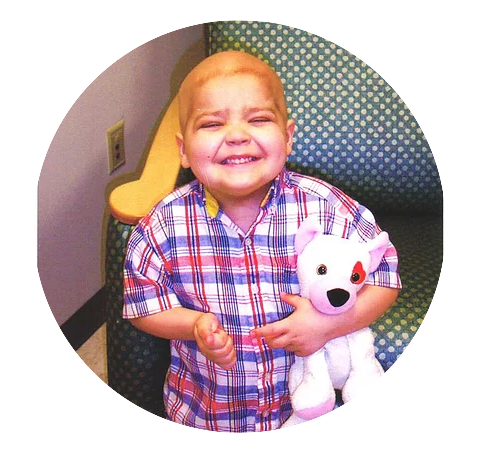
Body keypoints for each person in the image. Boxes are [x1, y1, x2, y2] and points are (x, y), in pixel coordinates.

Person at [123, 51, 401, 432]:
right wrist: (193, 325)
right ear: (183, 150)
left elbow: (385, 277)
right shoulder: (163, 225)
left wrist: (327, 326)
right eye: (212, 123)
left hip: (303, 407)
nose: (237, 135)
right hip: (207, 413)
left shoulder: (325, 208)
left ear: (287, 138)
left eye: (258, 119)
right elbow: (142, 304)